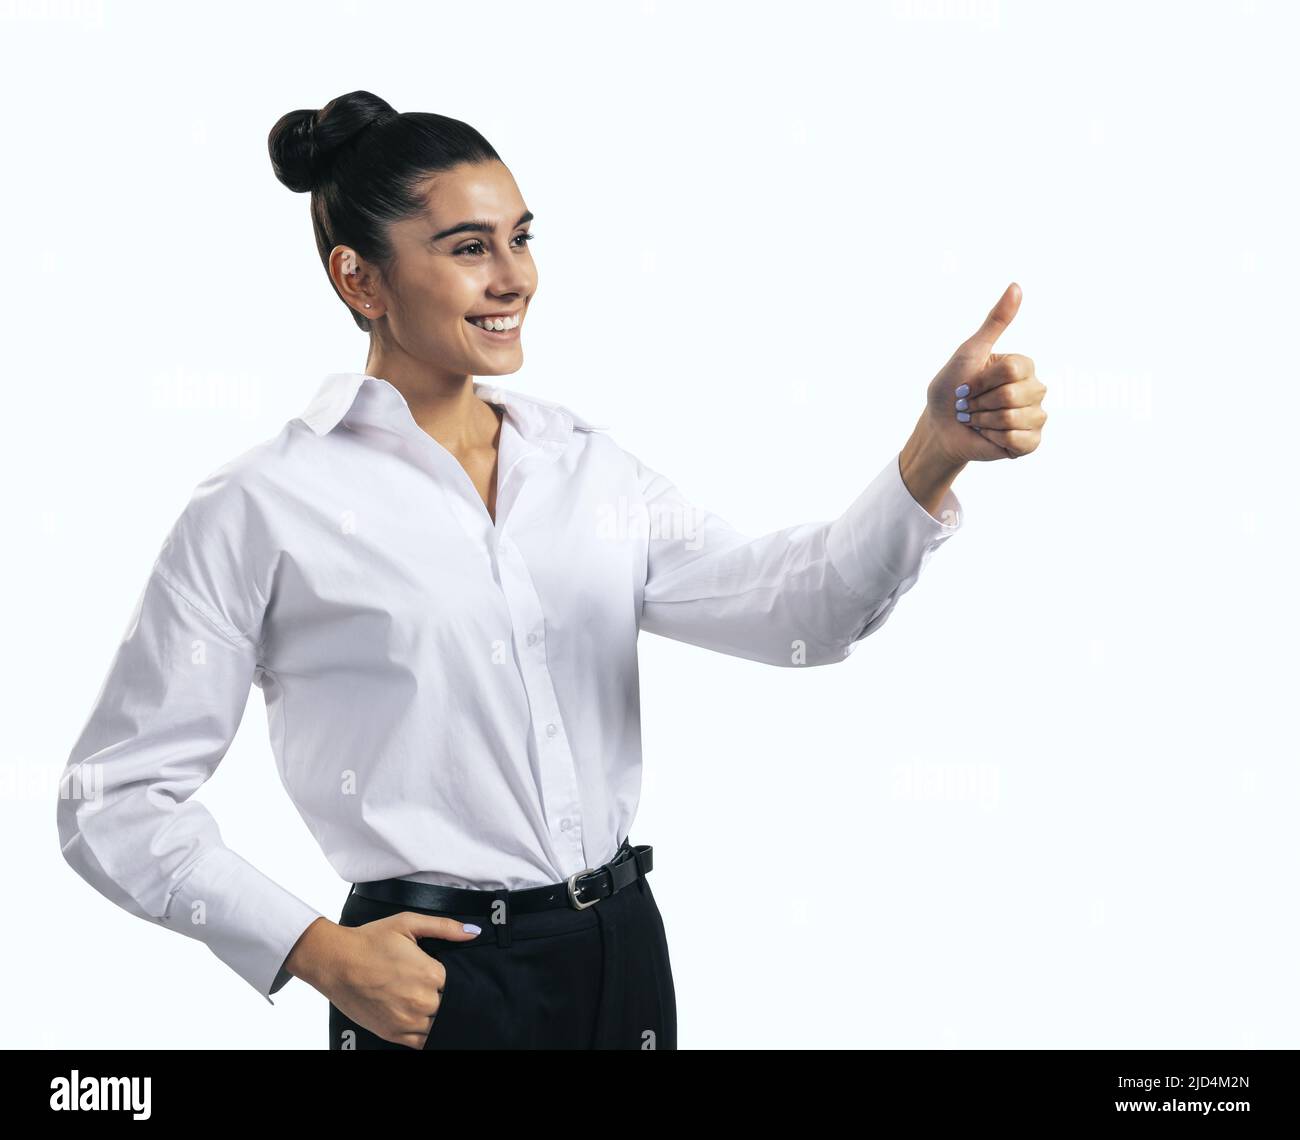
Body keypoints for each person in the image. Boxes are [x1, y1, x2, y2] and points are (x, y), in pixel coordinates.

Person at [55, 90, 1048, 1051]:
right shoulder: (261, 507)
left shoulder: (585, 469)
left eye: (521, 238)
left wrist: (933, 451)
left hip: (621, 954)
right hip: (429, 980)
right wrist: (313, 951)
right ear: (360, 281)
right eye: (467, 248)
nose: (513, 277)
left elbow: (805, 615)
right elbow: (113, 795)